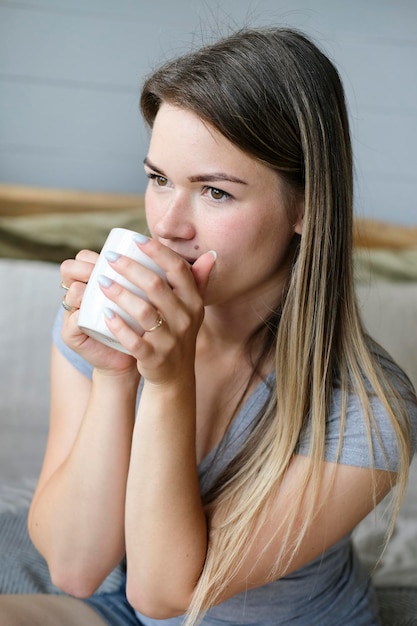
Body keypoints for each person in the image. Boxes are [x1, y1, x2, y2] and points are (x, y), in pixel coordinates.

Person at [1, 26, 416, 626]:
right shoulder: (107, 319)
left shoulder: (367, 409)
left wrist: (168, 383)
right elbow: (74, 567)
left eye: (215, 193)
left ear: (306, 208)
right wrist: (116, 373)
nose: (168, 226)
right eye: (159, 178)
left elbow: (167, 596)